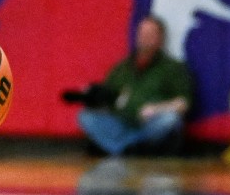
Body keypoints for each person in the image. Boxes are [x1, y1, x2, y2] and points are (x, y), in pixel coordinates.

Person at [70, 15, 195, 156]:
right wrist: (92, 96)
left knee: (170, 119)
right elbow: (108, 98)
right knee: (85, 117)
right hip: (122, 122)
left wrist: (156, 109)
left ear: (160, 39)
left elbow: (184, 103)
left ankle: (123, 147)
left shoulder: (173, 68)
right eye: (142, 33)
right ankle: (130, 148)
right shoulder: (121, 68)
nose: (145, 38)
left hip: (150, 124)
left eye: (150, 34)